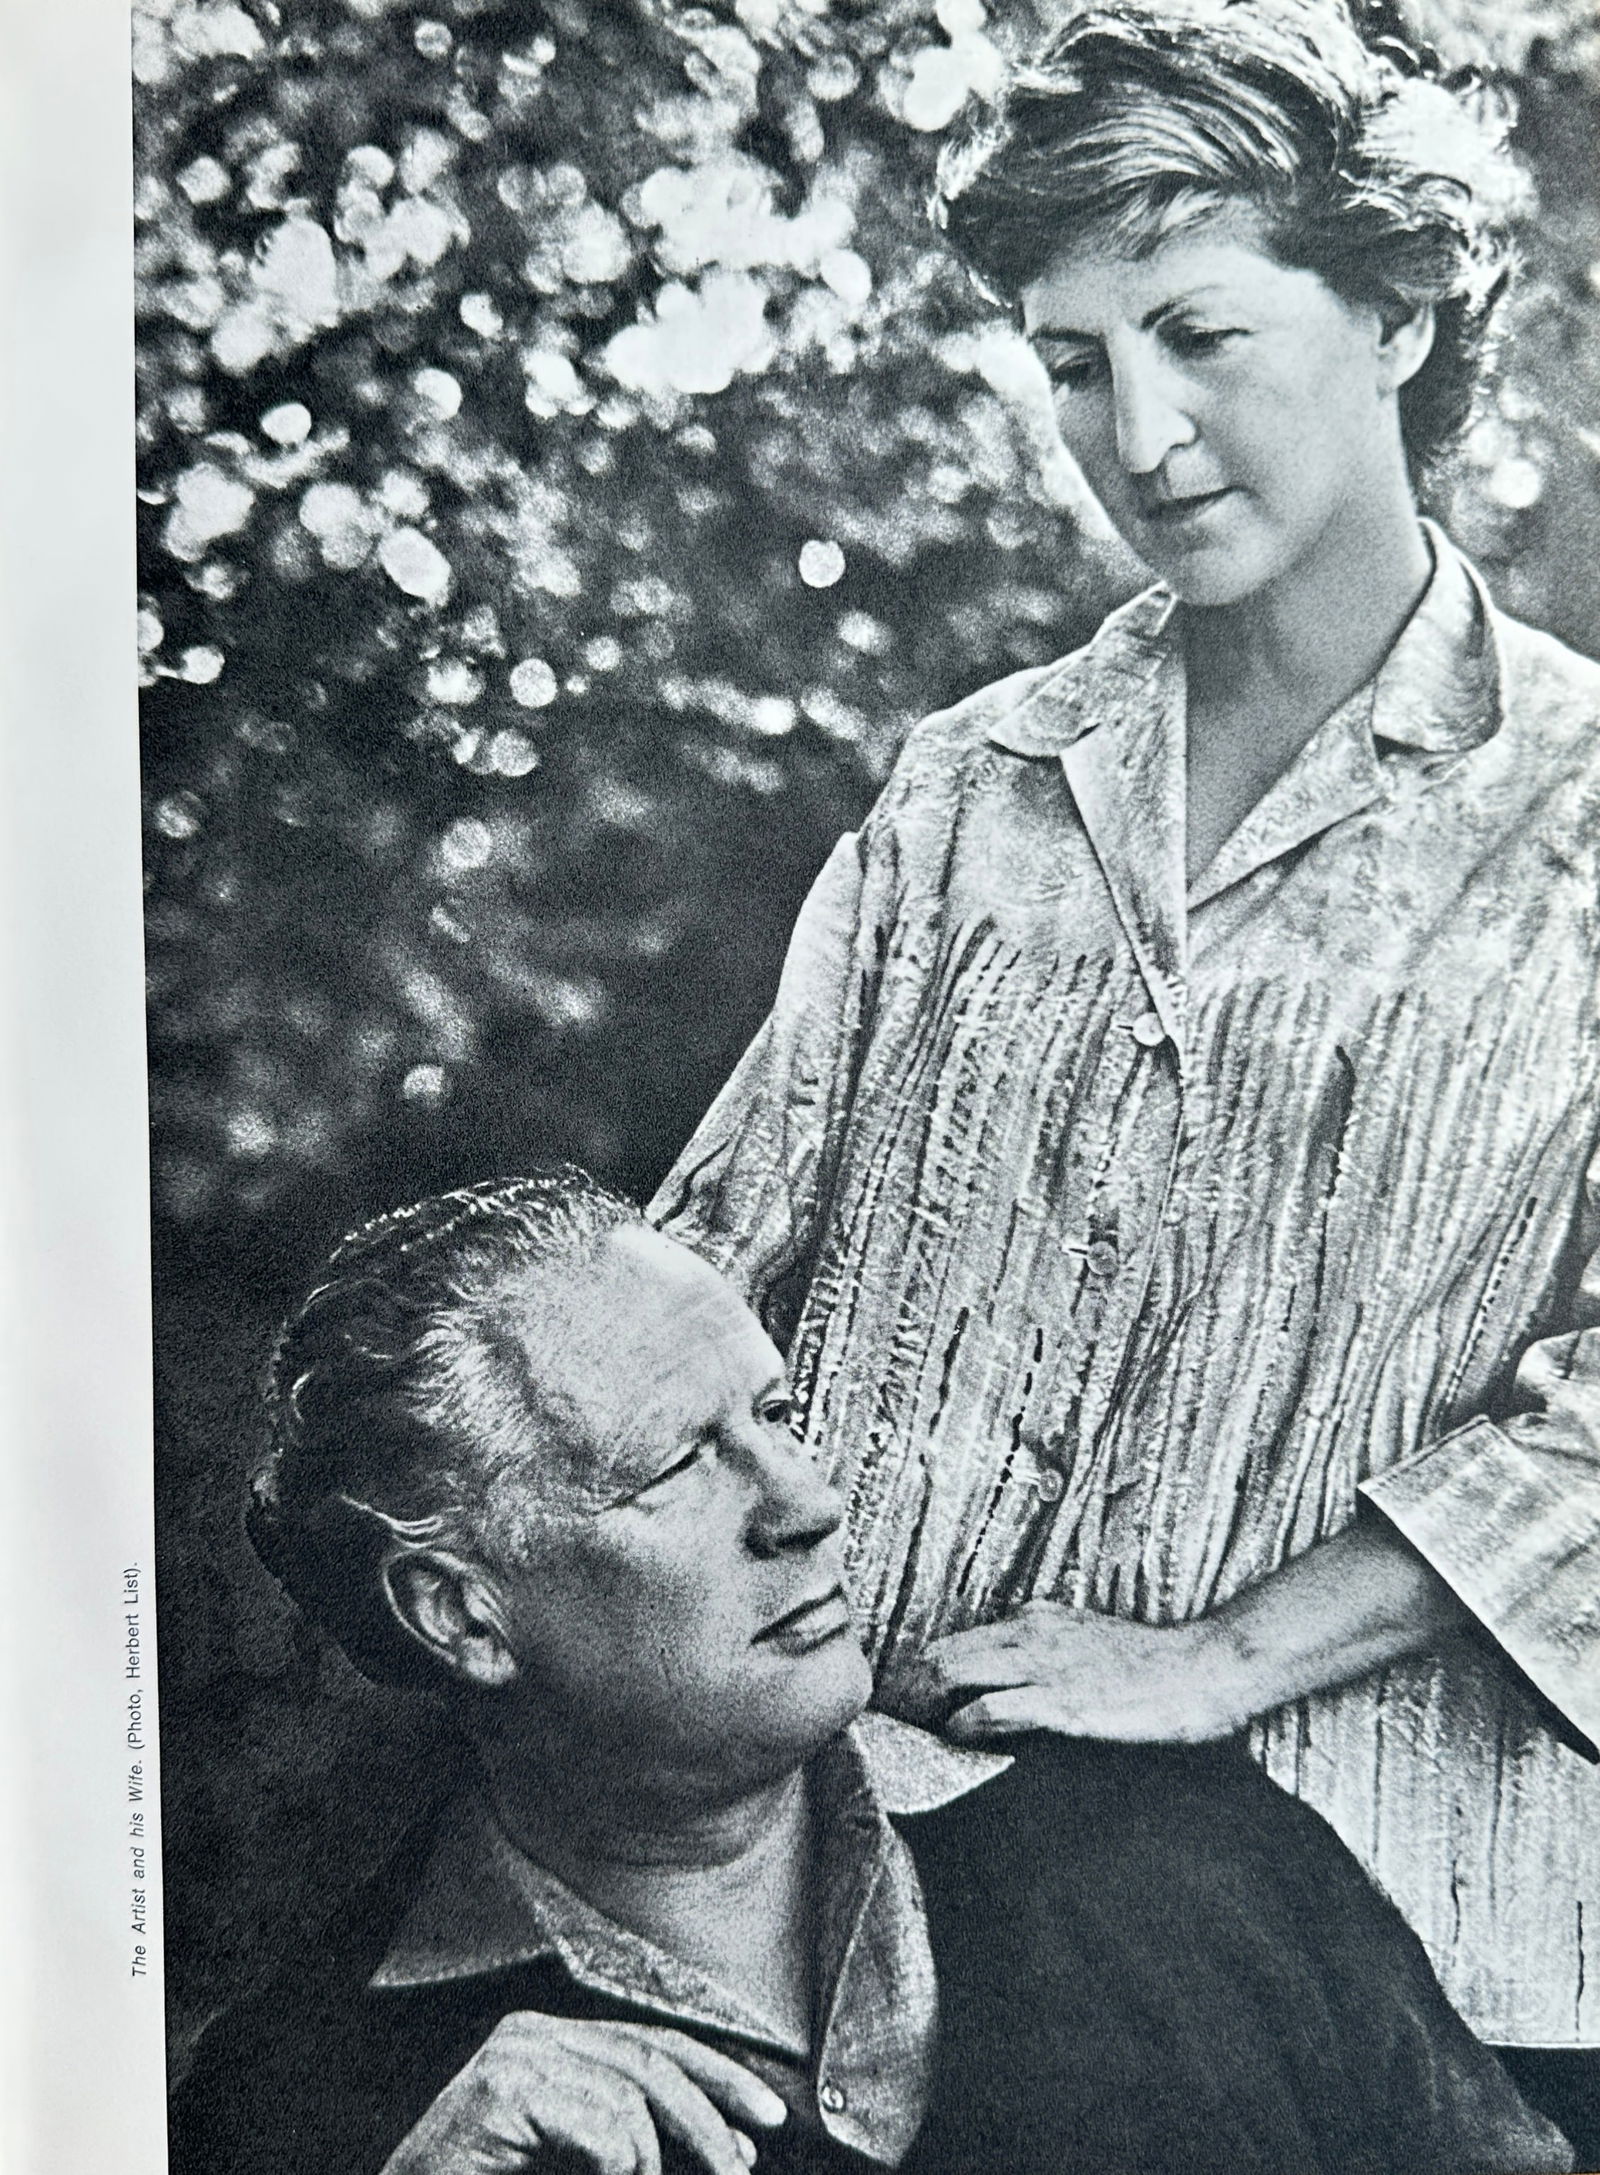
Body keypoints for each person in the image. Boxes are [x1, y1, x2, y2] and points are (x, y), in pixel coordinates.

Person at [647, 0, 1600, 2152]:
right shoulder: (969, 787)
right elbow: (707, 1272)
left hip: (1403, 1964)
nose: (1138, 432)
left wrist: (1225, 1650)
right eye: (1072, 362)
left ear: (1393, 306)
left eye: (1197, 330)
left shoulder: (1577, 811)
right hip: (854, 1904)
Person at [170, 1173, 1566, 2175]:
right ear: (461, 1614)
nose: (804, 1500)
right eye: (675, 1467)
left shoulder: (1179, 1854)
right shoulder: (302, 2110)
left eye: (775, 1415)